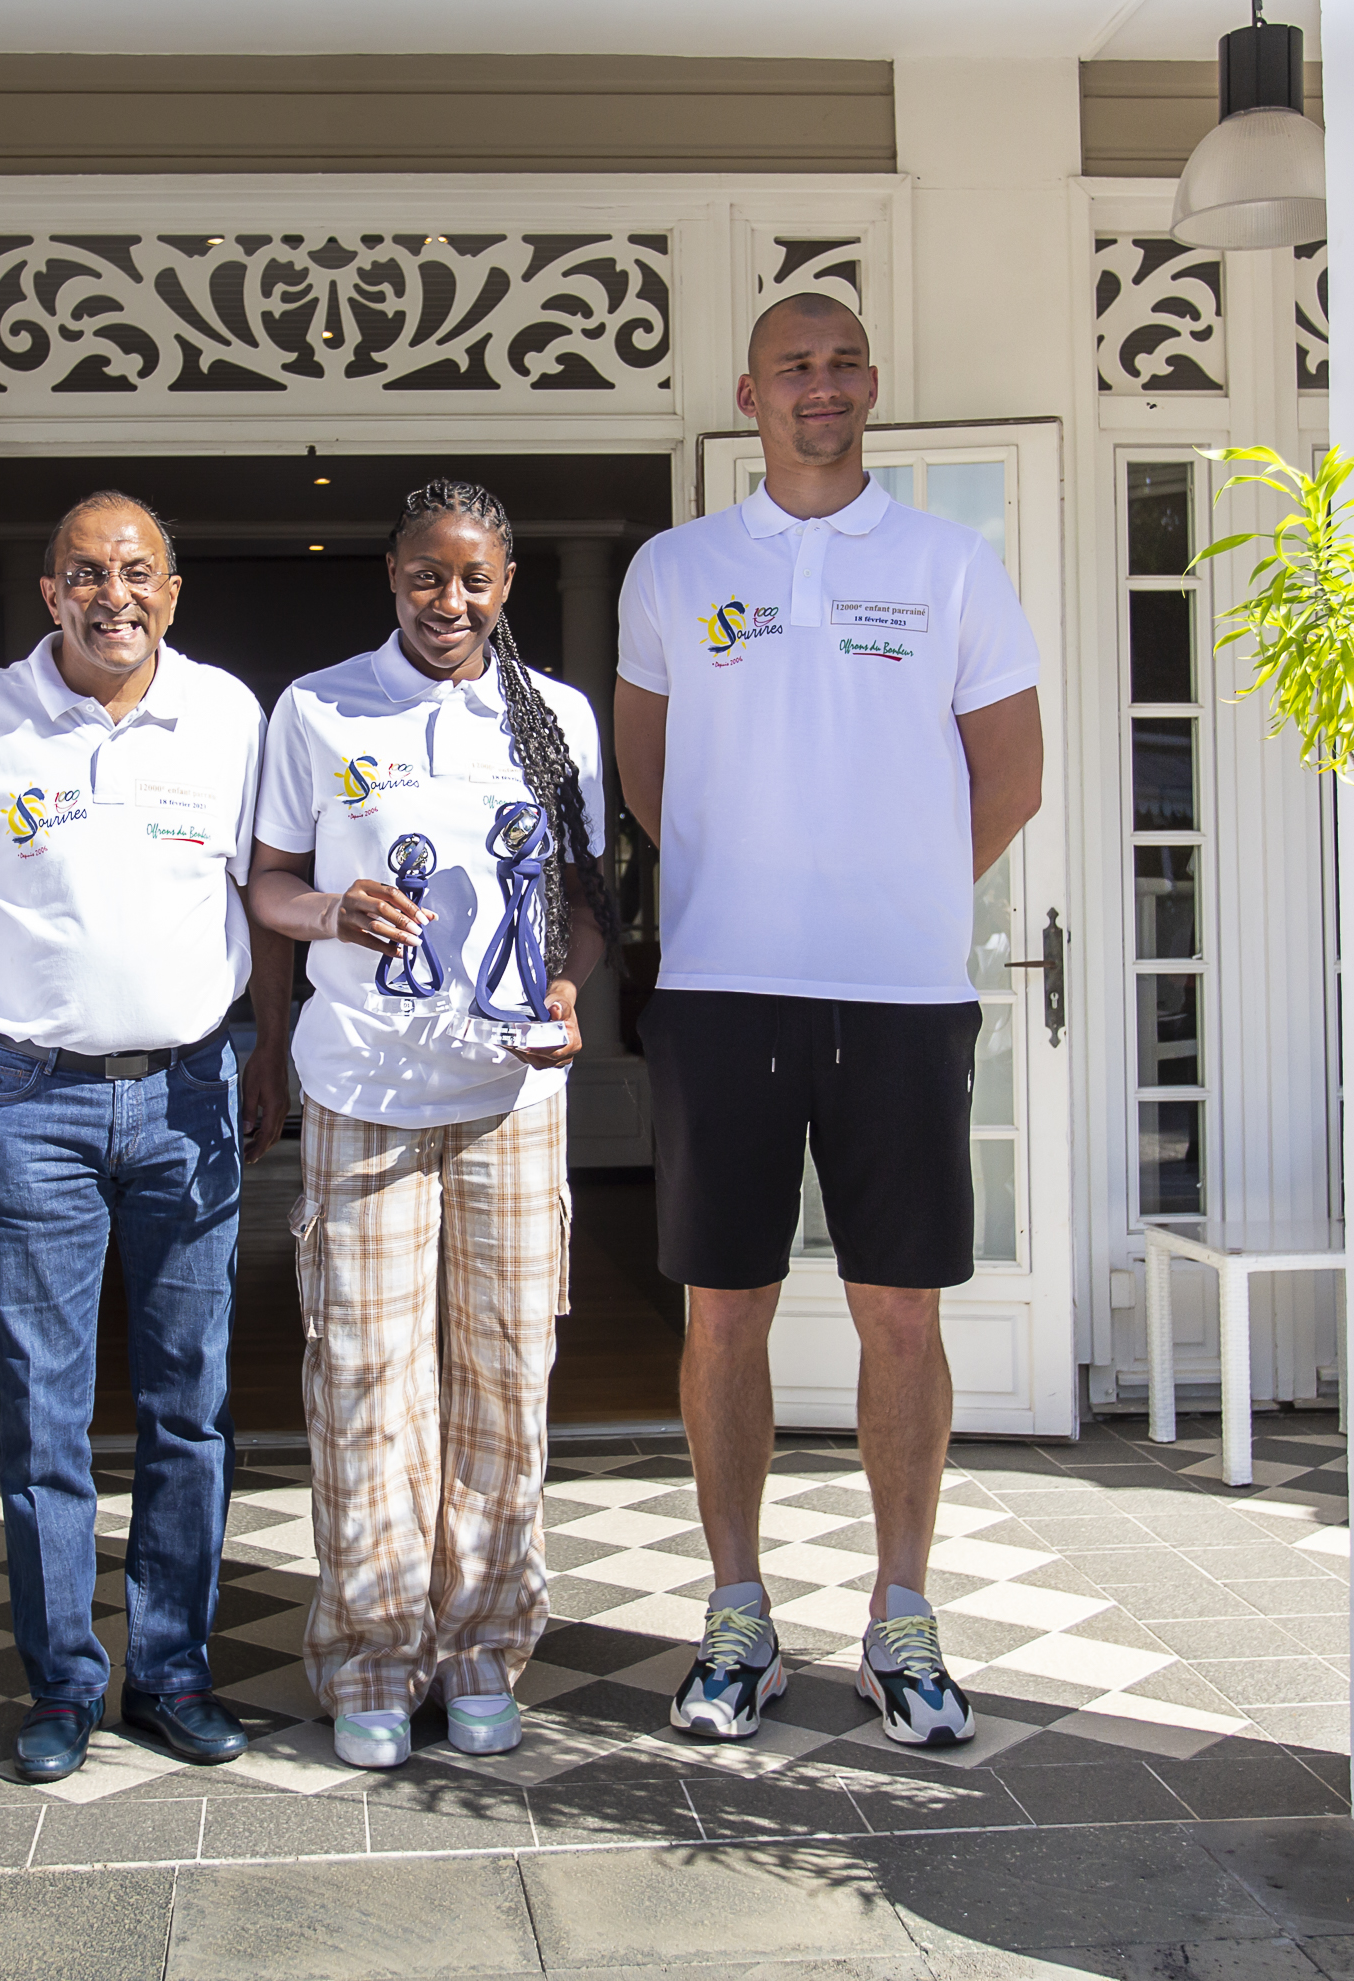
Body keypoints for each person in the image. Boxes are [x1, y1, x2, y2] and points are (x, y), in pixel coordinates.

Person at [613, 295, 1045, 1748]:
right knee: (723, 1307)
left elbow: (1013, 775)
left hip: (903, 993)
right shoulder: (676, 570)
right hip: (724, 992)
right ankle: (736, 1615)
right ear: (750, 392)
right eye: (795, 364)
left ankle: (900, 1617)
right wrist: (751, 888)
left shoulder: (950, 562)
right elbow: (648, 773)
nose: (822, 384)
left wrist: (895, 887)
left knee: (898, 1309)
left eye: (844, 362)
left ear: (871, 385)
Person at [248, 479, 618, 1770]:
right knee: (362, 1378)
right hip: (363, 1086)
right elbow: (270, 885)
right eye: (423, 576)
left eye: (471, 577)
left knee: (503, 1378)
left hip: (511, 1098)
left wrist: (568, 991)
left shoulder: (556, 715)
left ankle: (479, 1642)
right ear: (389, 578)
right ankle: (368, 1651)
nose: (446, 600)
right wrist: (327, 916)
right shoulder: (318, 706)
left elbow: (577, 900)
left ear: (505, 582)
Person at [0, 493, 291, 1784]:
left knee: (188, 1400)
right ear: (48, 594)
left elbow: (264, 885)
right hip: (33, 1098)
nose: (112, 593)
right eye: (85, 572)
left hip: (193, 1087)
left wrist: (268, 1048)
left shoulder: (231, 717)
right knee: (40, 1407)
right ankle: (63, 1682)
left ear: (173, 591)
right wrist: (37, 950)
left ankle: (174, 1667)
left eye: (136, 570)